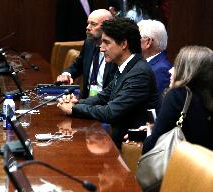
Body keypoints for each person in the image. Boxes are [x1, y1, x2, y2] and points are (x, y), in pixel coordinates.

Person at [57, 18, 160, 148]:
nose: (101, 48)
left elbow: (111, 112)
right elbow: (103, 96)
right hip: (116, 140)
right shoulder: (125, 67)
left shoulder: (139, 73)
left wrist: (74, 109)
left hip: (130, 147)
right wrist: (75, 102)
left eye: (106, 43)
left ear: (123, 44)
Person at [142, 46, 213, 154]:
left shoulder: (178, 95)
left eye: (177, 66)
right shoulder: (206, 98)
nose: (170, 70)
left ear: (187, 71)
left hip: (181, 166)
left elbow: (153, 145)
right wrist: (154, 127)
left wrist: (147, 137)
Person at [56, 9, 117, 99]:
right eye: (88, 23)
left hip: (106, 103)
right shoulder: (89, 43)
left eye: (93, 24)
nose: (88, 27)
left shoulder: (115, 50)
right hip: (86, 100)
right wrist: (67, 75)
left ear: (108, 27)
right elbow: (78, 65)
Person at [138, 19, 172, 95]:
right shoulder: (147, 63)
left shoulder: (161, 70)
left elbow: (156, 104)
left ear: (148, 42)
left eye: (135, 38)